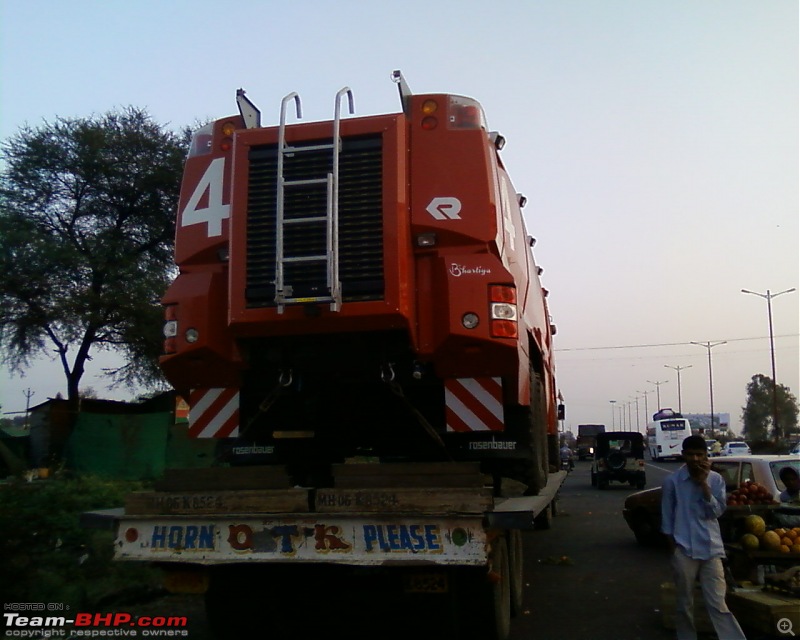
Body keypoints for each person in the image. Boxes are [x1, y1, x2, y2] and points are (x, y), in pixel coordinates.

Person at [661, 435, 746, 640]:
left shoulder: (715, 480)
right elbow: (667, 519)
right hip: (684, 549)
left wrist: (703, 485)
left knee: (718, 603)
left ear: (707, 455)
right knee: (684, 603)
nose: (696, 459)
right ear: (683, 456)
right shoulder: (672, 482)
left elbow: (716, 512)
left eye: (700, 454)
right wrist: (674, 549)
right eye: (691, 455)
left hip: (711, 550)